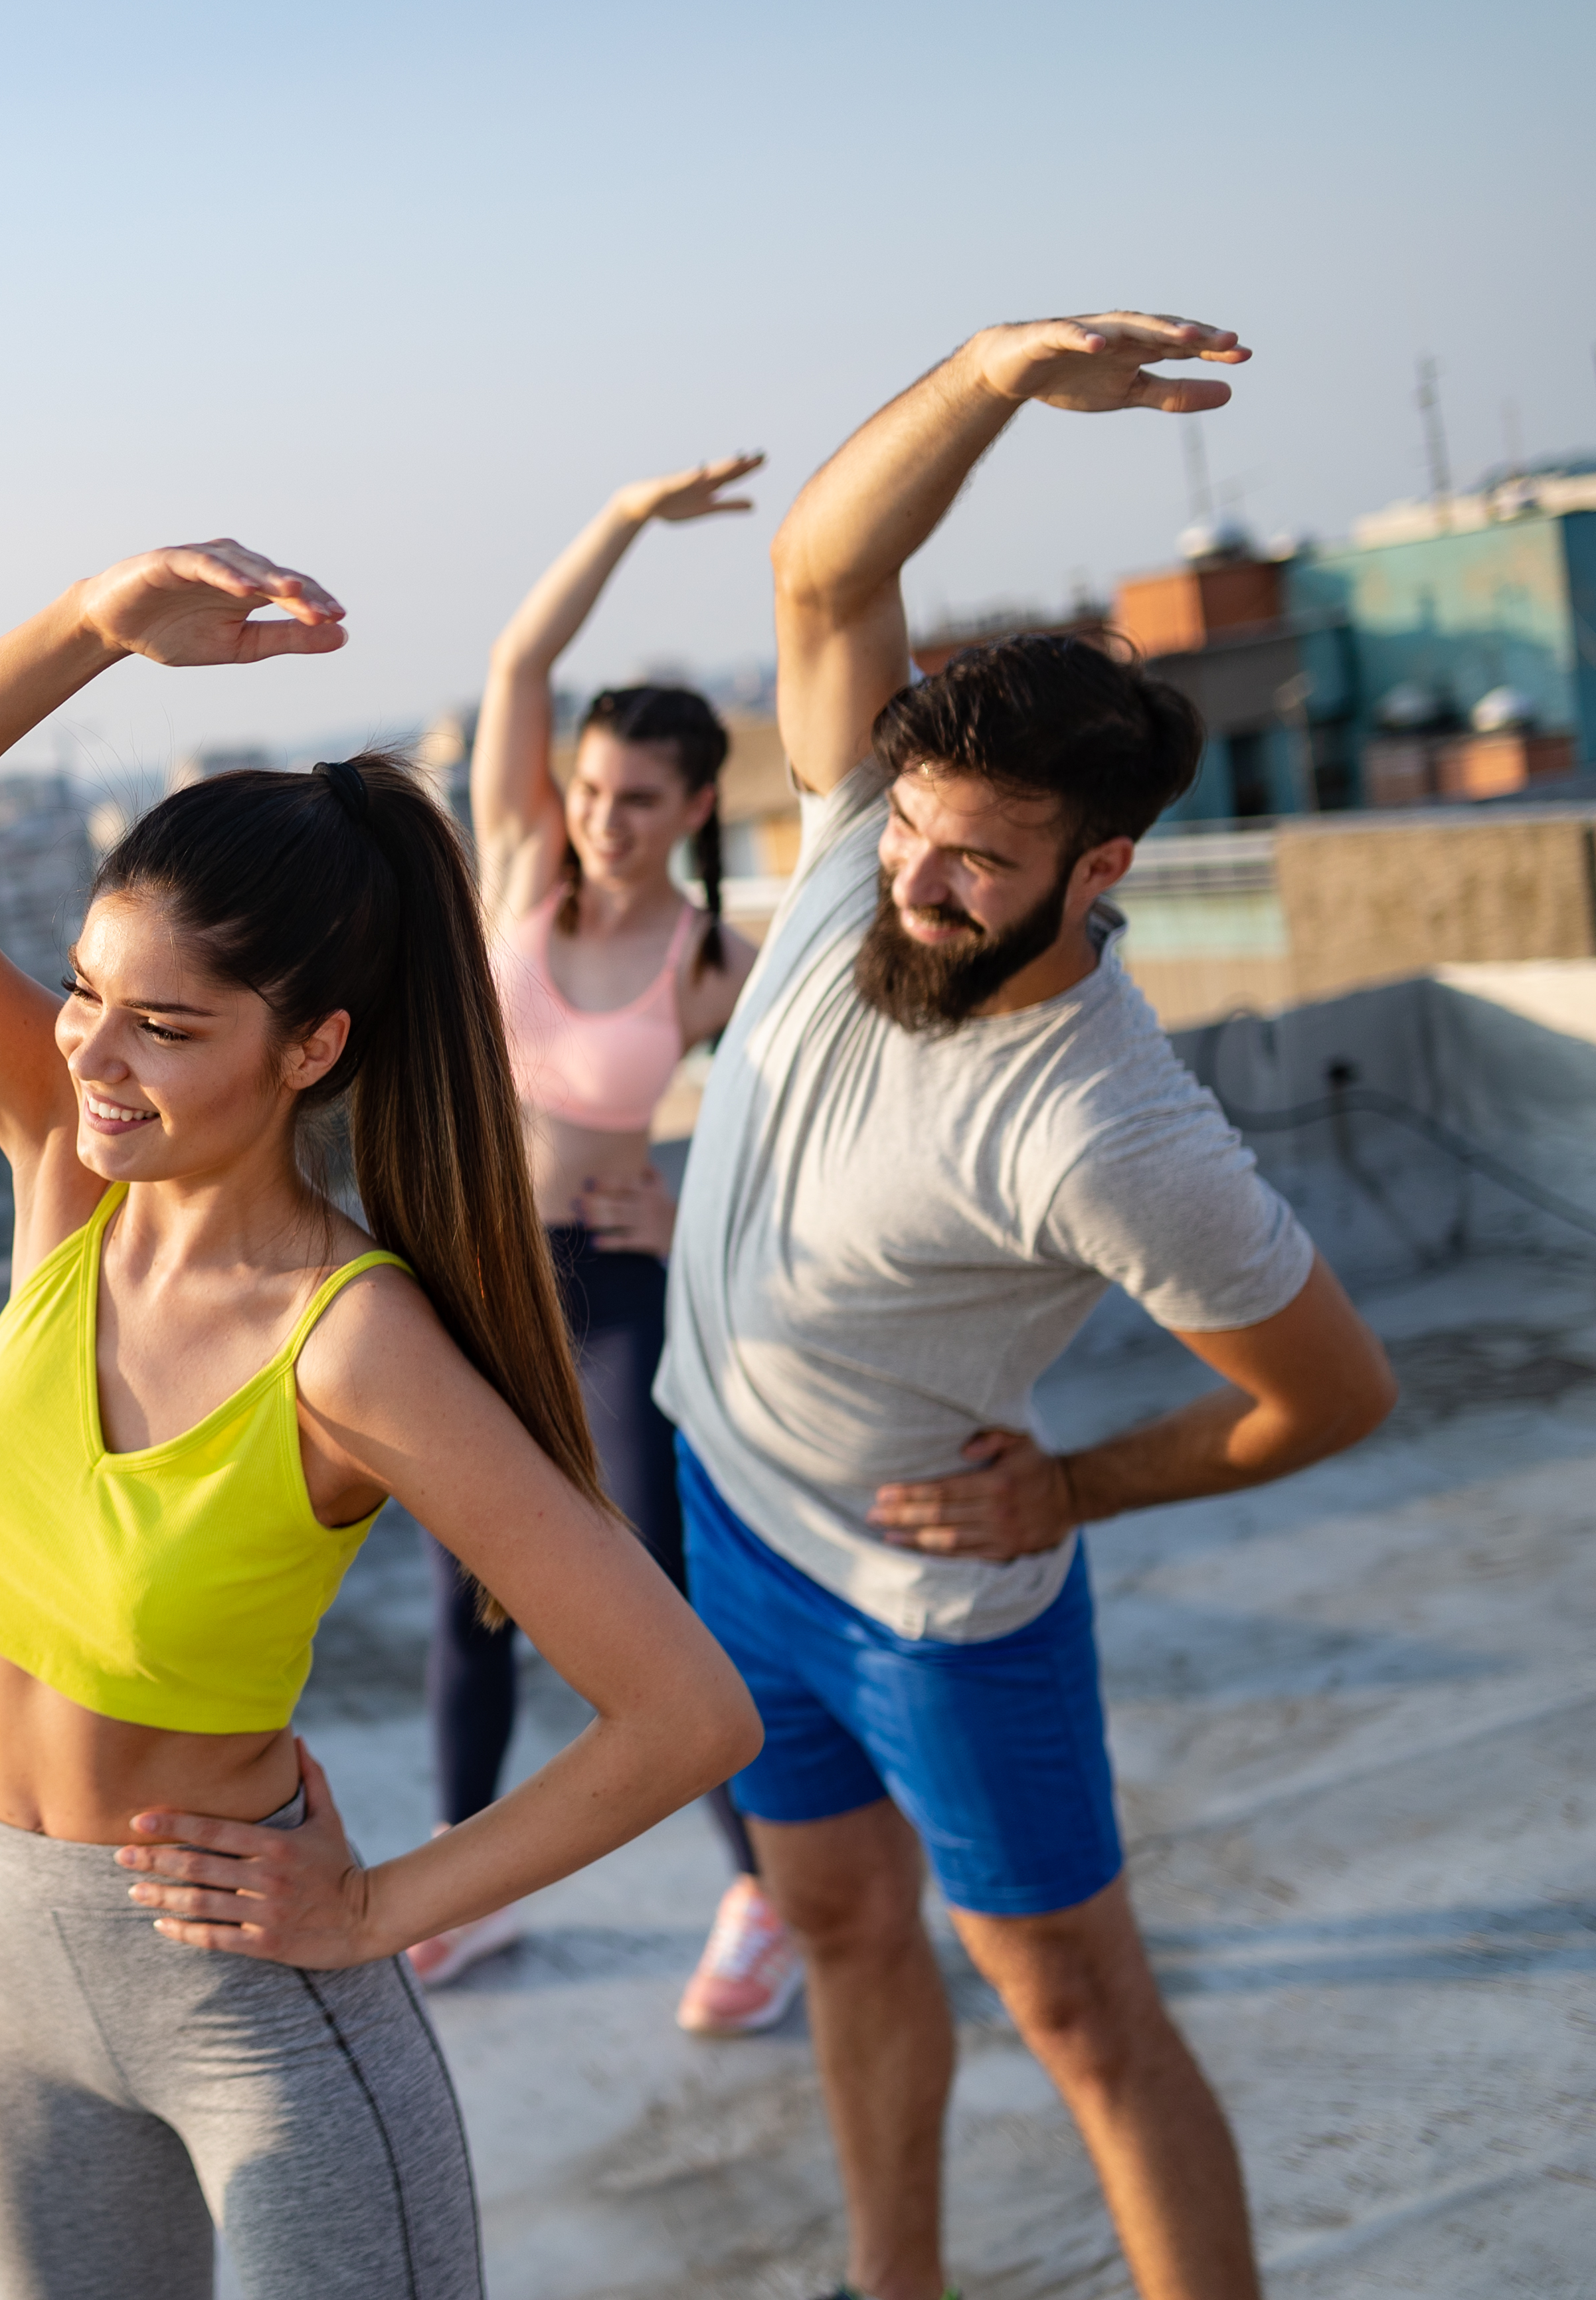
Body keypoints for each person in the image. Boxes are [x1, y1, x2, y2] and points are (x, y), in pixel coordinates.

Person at [0, 539, 764, 2297]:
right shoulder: (65, 1170)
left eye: (164, 1025)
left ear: (309, 1049)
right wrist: (93, 628)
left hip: (256, 2025)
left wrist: (383, 1909)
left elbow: (687, 1711)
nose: (91, 1055)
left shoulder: (353, 1342)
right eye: (85, 990)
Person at [666, 313, 1399, 2300]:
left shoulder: (1112, 1128)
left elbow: (1329, 1395)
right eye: (913, 826)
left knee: (1079, 2017)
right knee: (832, 1925)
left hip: (927, 1603)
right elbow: (822, 572)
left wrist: (1075, 1492)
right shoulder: (853, 850)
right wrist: (990, 374)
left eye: (980, 859)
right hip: (734, 1529)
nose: (914, 875)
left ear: (1104, 868)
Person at [404, 453, 801, 2037]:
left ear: (699, 804)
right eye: (590, 792)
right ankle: (468, 1892)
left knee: (658, 1596)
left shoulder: (714, 959)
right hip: (476, 1286)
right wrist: (627, 522)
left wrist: (691, 1195)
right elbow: (518, 664)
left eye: (641, 801)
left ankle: (765, 1890)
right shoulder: (519, 876)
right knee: (469, 1598)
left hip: (619, 1289)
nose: (605, 821)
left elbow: (815, 1120)